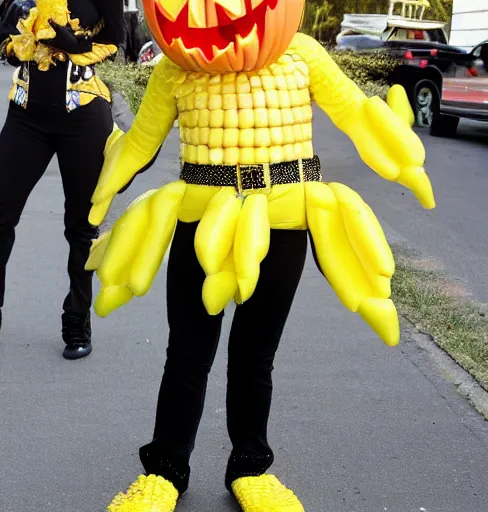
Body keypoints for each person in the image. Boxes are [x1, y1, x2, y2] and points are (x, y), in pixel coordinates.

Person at [86, 0, 436, 509]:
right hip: (199, 217)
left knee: (255, 355)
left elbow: (356, 114)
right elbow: (142, 141)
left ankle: (250, 467)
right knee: (187, 353)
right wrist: (98, 200)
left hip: (283, 219)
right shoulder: (174, 67)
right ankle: (164, 470)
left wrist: (403, 159)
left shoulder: (304, 54)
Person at [0, 0, 124, 360]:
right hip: (26, 116)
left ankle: (77, 318)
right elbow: (1, 43)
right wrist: (18, 41)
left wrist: (78, 48)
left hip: (83, 117)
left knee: (81, 227)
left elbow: (117, 42)